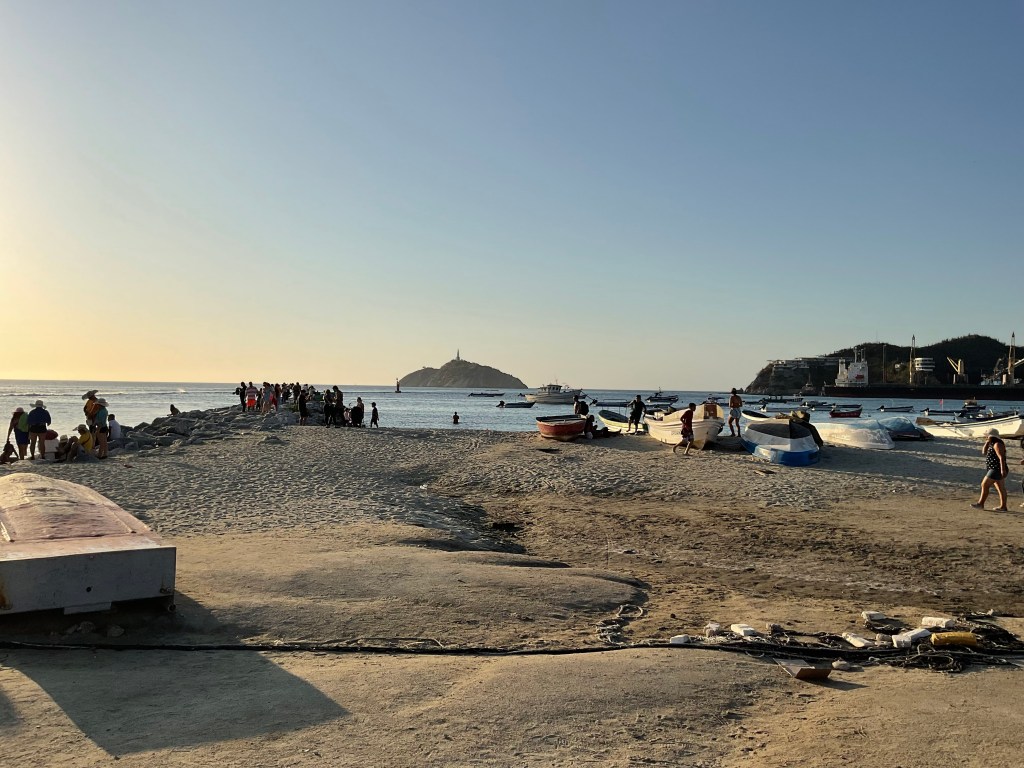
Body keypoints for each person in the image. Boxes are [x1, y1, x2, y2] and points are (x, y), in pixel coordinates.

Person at [972, 428, 1008, 512]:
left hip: (996, 469)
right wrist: (987, 442)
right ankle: (1003, 507)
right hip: (993, 468)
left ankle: (981, 504)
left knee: (984, 485)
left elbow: (1001, 458)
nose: (986, 437)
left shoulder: (997, 444)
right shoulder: (991, 443)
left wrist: (1003, 470)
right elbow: (984, 452)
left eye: (987, 436)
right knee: (1001, 488)